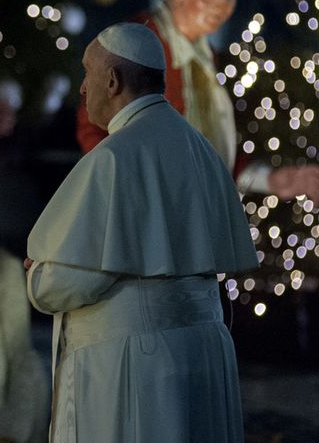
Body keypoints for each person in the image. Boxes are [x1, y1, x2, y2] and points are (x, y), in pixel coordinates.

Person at [26, 23, 259, 442]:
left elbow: (69, 283)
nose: (83, 88)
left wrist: (40, 272)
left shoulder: (115, 157)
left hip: (135, 363)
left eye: (87, 73)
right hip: (204, 349)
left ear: (111, 80)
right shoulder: (200, 147)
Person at [77, 0, 319, 204]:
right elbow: (94, 126)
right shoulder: (137, 43)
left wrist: (269, 180)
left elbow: (212, 150)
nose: (220, 6)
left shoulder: (207, 58)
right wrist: (135, 194)